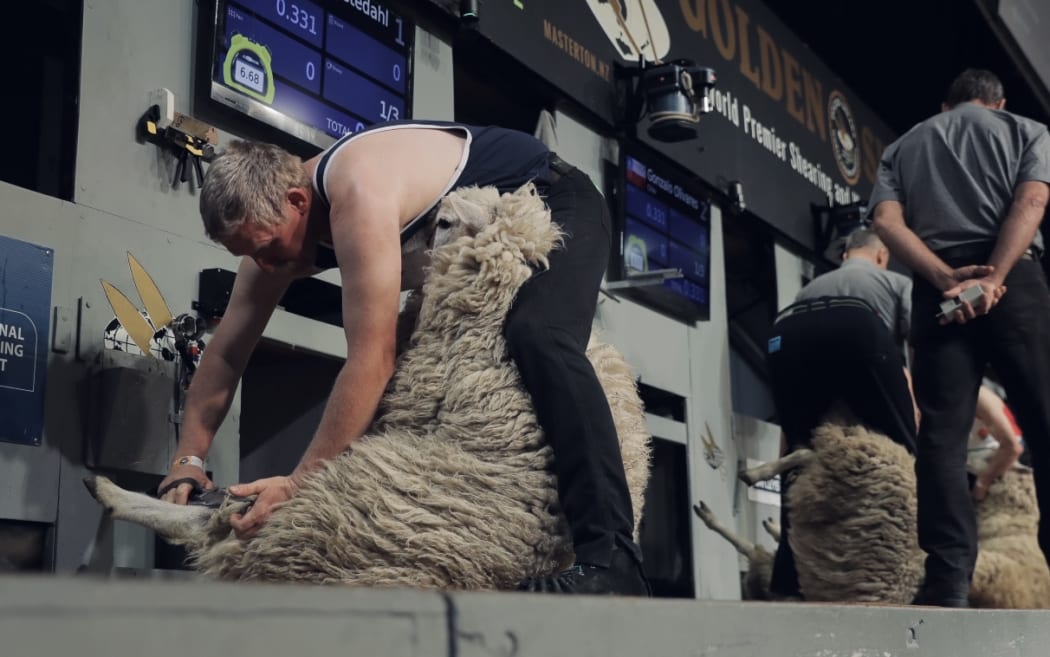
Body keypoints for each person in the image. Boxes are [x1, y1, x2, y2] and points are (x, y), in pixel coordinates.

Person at [155, 120, 650, 596]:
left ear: (297, 200)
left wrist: (300, 482)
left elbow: (372, 357)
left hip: (556, 199)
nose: (265, 267)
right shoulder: (275, 225)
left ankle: (613, 559)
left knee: (540, 333)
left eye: (268, 249)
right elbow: (226, 353)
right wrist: (187, 459)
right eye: (250, 255)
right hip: (478, 229)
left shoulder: (359, 192)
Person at [868, 68, 1050, 607]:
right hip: (1014, 281)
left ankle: (948, 580)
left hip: (935, 290)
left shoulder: (903, 146)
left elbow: (885, 221)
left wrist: (945, 278)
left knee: (943, 438)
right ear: (997, 102)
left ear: (945, 106)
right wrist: (995, 276)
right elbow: (1033, 203)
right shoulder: (1025, 130)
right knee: (1044, 422)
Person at [765, 226, 918, 598]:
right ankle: (909, 565)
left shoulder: (810, 288)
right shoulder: (895, 282)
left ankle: (787, 582)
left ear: (845, 254)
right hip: (858, 327)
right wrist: (914, 426)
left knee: (802, 457)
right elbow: (909, 365)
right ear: (882, 254)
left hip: (786, 329)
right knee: (904, 456)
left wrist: (786, 447)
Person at [968, 384, 1025, 502]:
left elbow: (1013, 447)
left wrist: (982, 484)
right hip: (969, 467)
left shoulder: (978, 396)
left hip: (1002, 470)